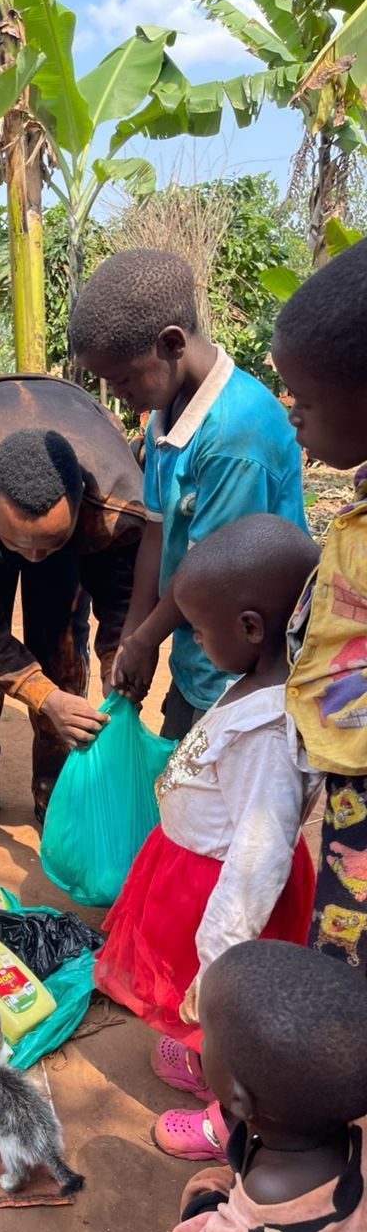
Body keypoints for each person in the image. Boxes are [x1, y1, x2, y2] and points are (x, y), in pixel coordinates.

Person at [95, 515, 321, 1162]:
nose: (191, 638)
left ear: (250, 627)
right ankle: (205, 1056)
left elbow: (260, 849)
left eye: (198, 628)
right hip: (193, 877)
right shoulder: (252, 681)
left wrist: (223, 958)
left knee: (236, 1016)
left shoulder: (268, 733)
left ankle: (235, 1119)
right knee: (197, 997)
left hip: (227, 899)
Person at [70, 249, 307, 741]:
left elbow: (213, 573)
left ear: (171, 344)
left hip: (249, 674)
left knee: (221, 797)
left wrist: (147, 637)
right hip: (199, 656)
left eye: (124, 379)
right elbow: (156, 536)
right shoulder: (166, 413)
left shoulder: (235, 437)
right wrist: (136, 637)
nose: (120, 396)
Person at [0, 374, 146, 847]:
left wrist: (117, 661)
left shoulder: (116, 510)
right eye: (19, 542)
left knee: (62, 642)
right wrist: (42, 697)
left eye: (51, 542)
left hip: (80, 440)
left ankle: (55, 789)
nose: (34, 558)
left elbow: (122, 603)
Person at [136, 940, 367, 1232]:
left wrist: (208, 1215)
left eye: (207, 1038)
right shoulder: (347, 1129)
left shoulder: (269, 1192)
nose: (200, 1042)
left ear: (241, 1101)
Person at [274, 239, 367, 978]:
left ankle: (314, 1072)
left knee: (346, 944)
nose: (292, 412)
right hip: (348, 767)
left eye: (304, 397)